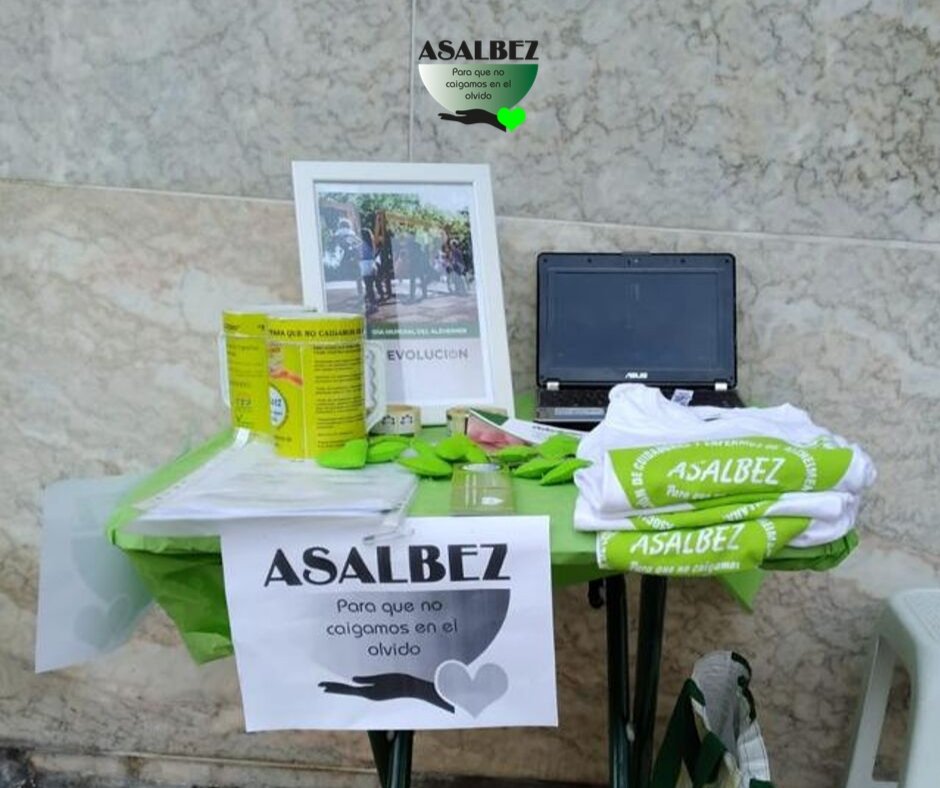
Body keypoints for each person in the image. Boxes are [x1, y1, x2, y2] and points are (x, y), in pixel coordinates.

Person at [360, 228, 378, 313]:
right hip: (371, 264)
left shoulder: (362, 244)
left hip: (365, 265)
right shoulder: (371, 243)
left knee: (368, 286)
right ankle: (373, 304)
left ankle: (372, 305)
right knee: (370, 286)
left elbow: (359, 254)